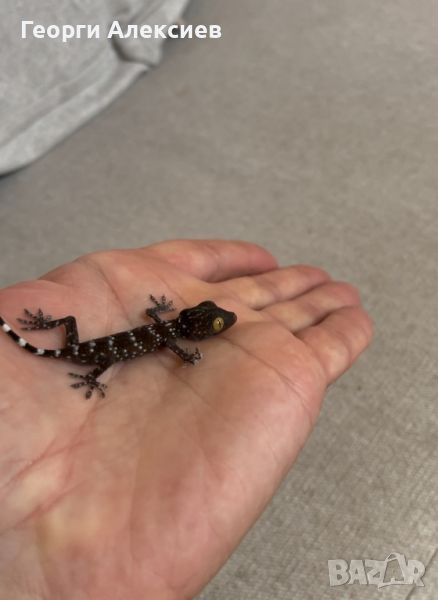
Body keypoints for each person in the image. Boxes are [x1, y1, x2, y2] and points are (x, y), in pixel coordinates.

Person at [0, 239, 372, 599]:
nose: (221, 324)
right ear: (194, 326)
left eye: (216, 324)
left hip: (84, 346)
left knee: (80, 338)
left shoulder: (163, 327)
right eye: (213, 326)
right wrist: (188, 359)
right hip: (89, 357)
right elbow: (175, 346)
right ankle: (73, 366)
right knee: (100, 358)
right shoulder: (171, 338)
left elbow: (154, 320)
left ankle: (38, 336)